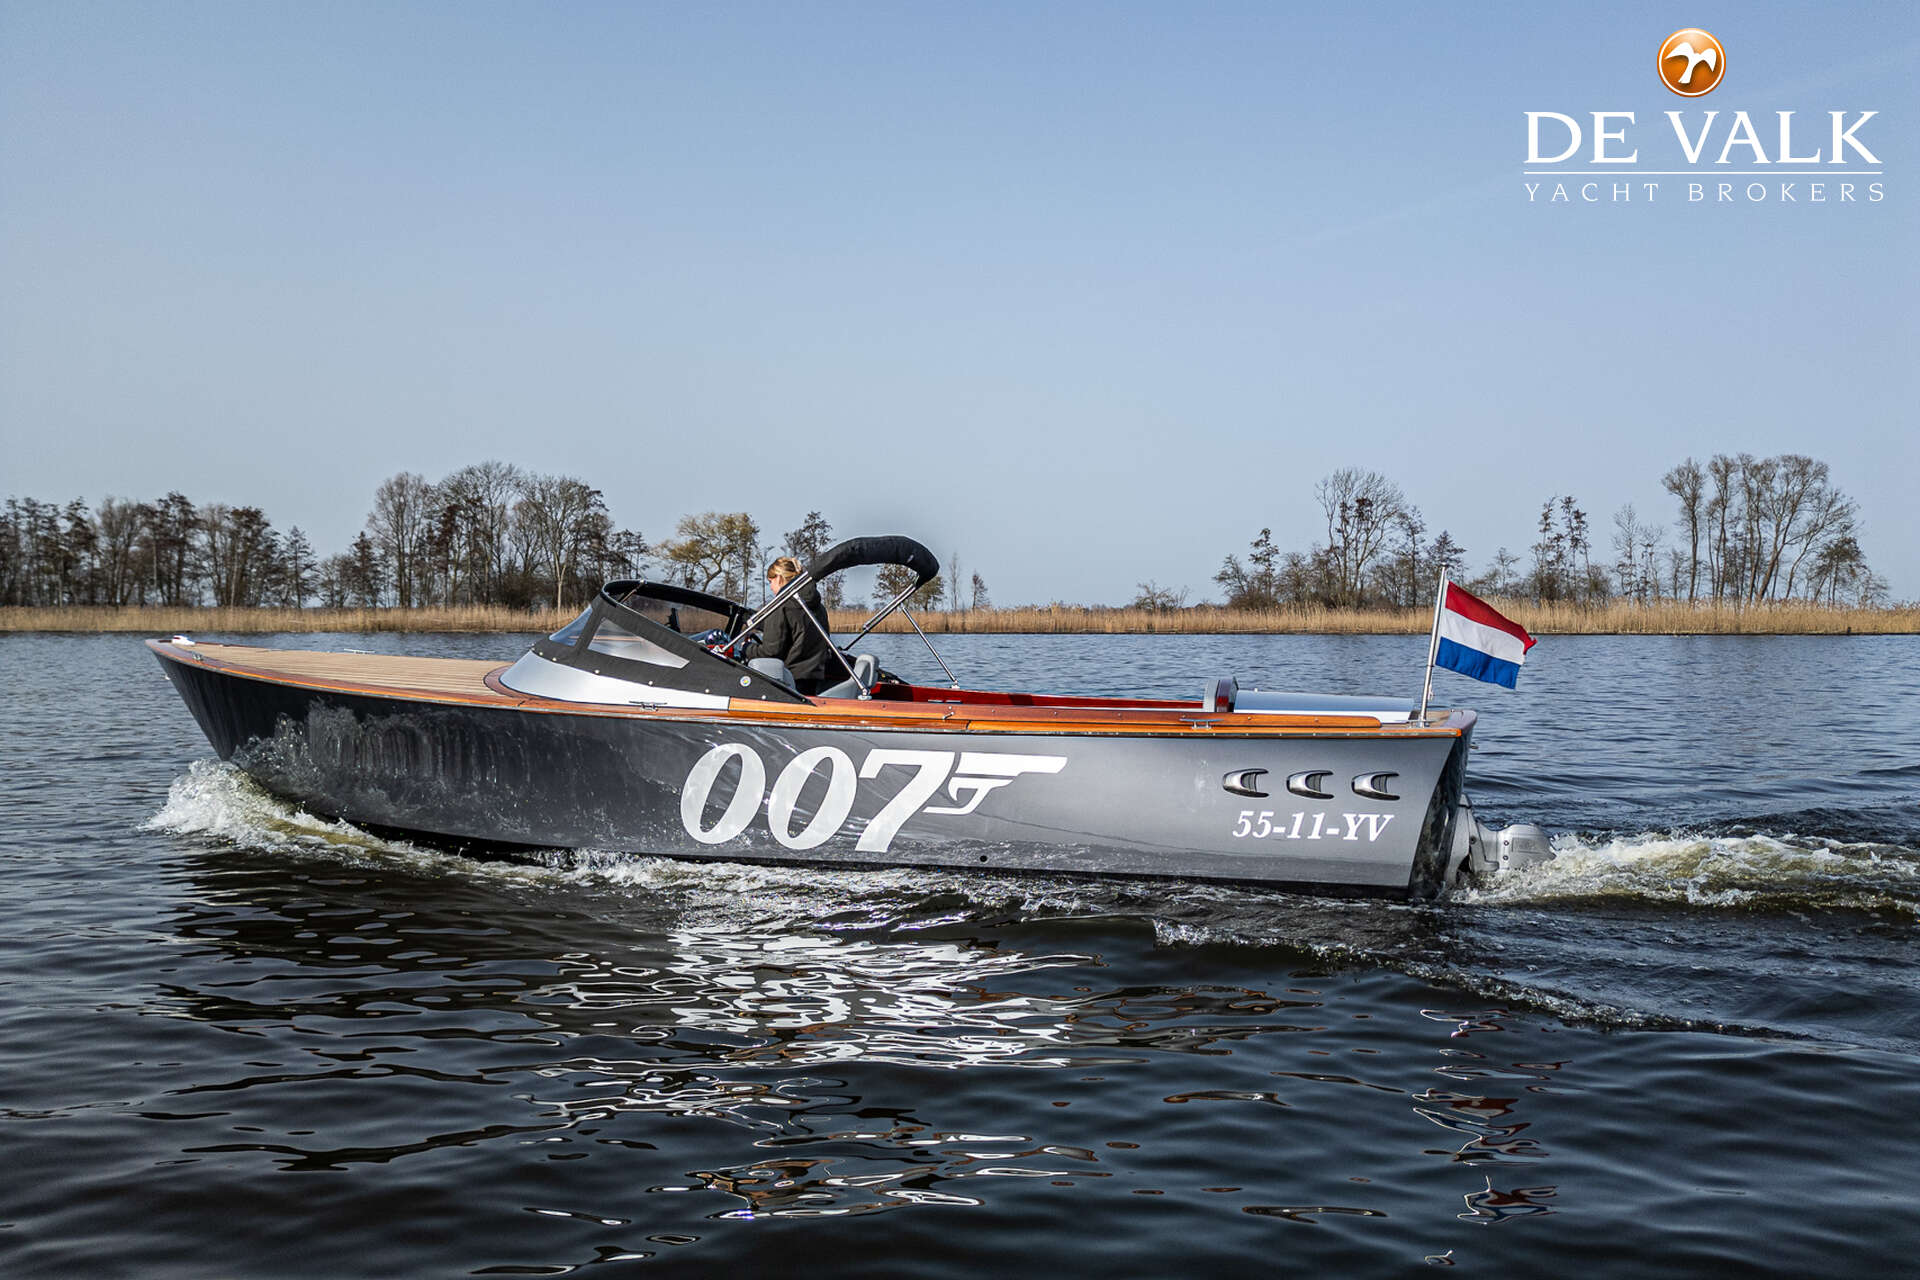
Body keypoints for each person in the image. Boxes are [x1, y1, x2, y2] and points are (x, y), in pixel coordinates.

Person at [732, 557, 844, 695]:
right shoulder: (819, 608)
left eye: (770, 582)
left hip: (789, 682)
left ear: (779, 578)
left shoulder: (780, 606)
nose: (771, 587)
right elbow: (798, 630)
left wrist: (746, 648)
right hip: (814, 680)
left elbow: (771, 652)